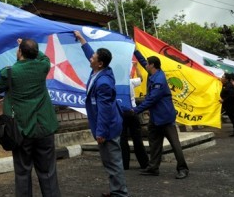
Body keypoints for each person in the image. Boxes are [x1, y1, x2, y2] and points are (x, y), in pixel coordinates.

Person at [0, 38, 61, 197]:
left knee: (23, 173)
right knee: (48, 173)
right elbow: (44, 58)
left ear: (20, 52)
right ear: (35, 53)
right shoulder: (43, 66)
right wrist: (30, 47)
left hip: (21, 130)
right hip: (44, 128)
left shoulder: (10, 73)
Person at [74, 31, 128, 197]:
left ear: (100, 64)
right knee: (109, 161)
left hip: (108, 127)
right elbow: (90, 55)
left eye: (94, 58)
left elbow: (104, 110)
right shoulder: (100, 71)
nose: (91, 58)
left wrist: (101, 132)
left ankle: (120, 193)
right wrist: (82, 40)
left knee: (113, 162)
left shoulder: (103, 82)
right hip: (108, 125)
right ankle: (115, 190)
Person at [131, 49, 189, 179]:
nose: (145, 64)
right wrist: (134, 50)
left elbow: (152, 99)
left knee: (175, 144)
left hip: (165, 118)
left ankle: (183, 168)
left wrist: (135, 110)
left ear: (151, 65)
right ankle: (153, 168)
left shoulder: (159, 80)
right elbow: (142, 60)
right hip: (155, 118)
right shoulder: (153, 73)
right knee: (154, 143)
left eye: (147, 63)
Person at [120, 62, 149, 170]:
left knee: (122, 139)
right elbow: (141, 78)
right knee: (137, 138)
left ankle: (124, 164)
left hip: (121, 113)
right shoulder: (130, 82)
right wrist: (136, 67)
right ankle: (144, 163)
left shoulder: (115, 84)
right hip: (132, 112)